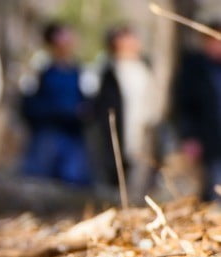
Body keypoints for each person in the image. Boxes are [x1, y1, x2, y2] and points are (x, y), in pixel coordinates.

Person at [92, 25, 159, 201]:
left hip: (146, 133)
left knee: (145, 179)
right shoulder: (108, 72)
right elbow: (101, 107)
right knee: (119, 179)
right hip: (120, 135)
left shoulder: (147, 67)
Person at [20, 22, 91, 186]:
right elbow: (28, 104)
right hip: (46, 135)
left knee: (74, 183)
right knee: (39, 182)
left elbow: (86, 99)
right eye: (63, 36)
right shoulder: (40, 67)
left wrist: (82, 113)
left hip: (73, 136)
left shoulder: (78, 70)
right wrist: (58, 112)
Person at [173, 21, 221, 200]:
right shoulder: (194, 67)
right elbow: (185, 106)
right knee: (214, 188)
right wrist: (189, 136)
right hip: (209, 141)